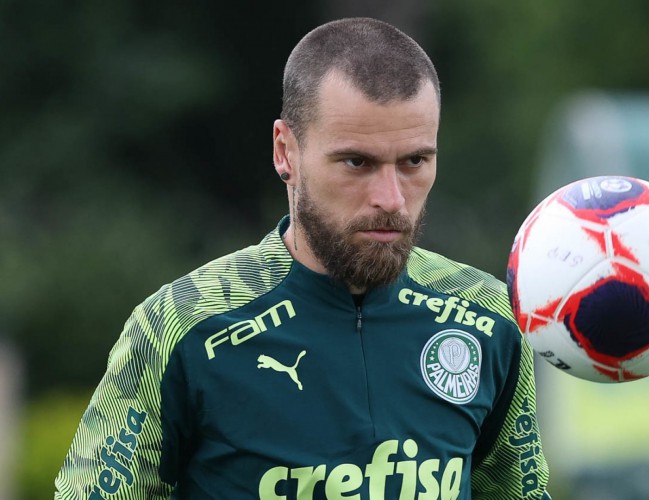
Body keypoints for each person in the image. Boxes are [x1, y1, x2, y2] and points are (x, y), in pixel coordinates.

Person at [55, 17, 551, 499]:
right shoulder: (181, 326)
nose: (391, 197)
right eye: (356, 162)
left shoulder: (488, 316)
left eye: (414, 161)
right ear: (285, 152)